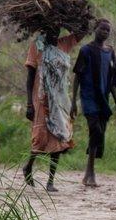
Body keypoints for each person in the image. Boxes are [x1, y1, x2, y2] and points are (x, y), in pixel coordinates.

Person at [22, 24, 82, 191]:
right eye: (51, 28)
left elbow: (82, 31)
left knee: (59, 138)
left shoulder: (63, 44)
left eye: (57, 28)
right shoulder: (37, 46)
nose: (54, 32)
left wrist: (69, 22)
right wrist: (29, 103)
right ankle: (28, 166)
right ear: (45, 29)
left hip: (60, 100)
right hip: (41, 98)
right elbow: (30, 76)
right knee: (40, 137)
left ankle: (50, 181)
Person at [70, 18, 116, 187]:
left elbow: (112, 80)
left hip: (104, 99)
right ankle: (90, 172)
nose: (105, 32)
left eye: (108, 30)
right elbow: (77, 76)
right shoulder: (86, 50)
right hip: (89, 96)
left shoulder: (110, 51)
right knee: (96, 129)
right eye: (102, 29)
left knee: (98, 133)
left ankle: (89, 173)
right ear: (95, 29)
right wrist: (73, 101)